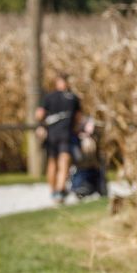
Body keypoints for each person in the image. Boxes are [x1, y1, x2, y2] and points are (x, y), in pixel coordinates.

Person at [34, 73, 82, 204]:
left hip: (52, 135)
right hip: (65, 134)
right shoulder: (73, 98)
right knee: (63, 161)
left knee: (53, 162)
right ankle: (59, 191)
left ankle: (54, 191)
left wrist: (41, 125)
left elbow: (39, 114)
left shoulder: (49, 97)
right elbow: (78, 118)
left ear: (57, 82)